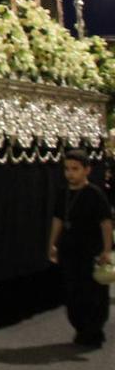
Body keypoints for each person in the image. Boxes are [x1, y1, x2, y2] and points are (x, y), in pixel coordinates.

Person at [48, 149, 113, 348]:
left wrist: (106, 250)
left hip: (90, 250)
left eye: (75, 169)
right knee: (73, 291)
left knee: (93, 293)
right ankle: (80, 327)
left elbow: (106, 223)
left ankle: (94, 331)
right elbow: (58, 219)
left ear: (87, 170)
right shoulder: (63, 193)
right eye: (67, 169)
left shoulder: (95, 194)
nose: (70, 173)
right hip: (69, 250)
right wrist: (52, 243)